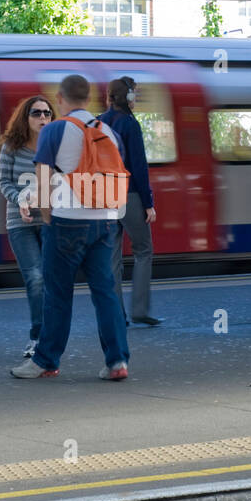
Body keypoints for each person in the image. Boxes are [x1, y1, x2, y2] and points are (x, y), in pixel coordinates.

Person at [10, 74, 130, 381]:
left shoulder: (54, 130)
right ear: (89, 100)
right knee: (106, 293)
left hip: (66, 222)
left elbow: (42, 179)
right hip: (105, 221)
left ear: (60, 99)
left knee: (58, 294)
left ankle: (46, 361)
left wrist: (48, 218)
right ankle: (117, 361)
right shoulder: (108, 132)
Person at [98, 76, 162, 326]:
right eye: (135, 93)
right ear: (129, 97)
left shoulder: (99, 122)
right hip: (130, 194)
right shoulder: (130, 124)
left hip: (106, 196)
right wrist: (149, 202)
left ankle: (116, 314)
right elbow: (139, 166)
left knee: (112, 255)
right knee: (143, 250)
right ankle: (140, 309)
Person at [0, 95, 55, 358]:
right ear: (25, 117)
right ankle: (38, 338)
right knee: (35, 278)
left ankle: (51, 336)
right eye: (36, 113)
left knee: (50, 280)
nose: (42, 118)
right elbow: (4, 182)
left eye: (47, 113)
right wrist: (20, 198)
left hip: (50, 220)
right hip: (19, 223)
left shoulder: (55, 145)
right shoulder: (11, 146)